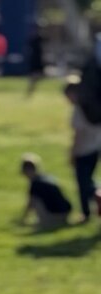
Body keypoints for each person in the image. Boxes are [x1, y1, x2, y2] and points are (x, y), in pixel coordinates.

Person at [63, 76, 101, 223]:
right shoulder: (94, 107)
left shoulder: (79, 110)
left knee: (83, 185)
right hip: (95, 148)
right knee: (89, 181)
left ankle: (86, 213)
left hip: (83, 151)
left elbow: (78, 135)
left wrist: (73, 153)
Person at [20, 153, 72, 228]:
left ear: (28, 170)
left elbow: (30, 203)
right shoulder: (46, 177)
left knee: (35, 200)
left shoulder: (36, 183)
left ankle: (45, 221)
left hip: (56, 214)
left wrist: (23, 218)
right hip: (66, 211)